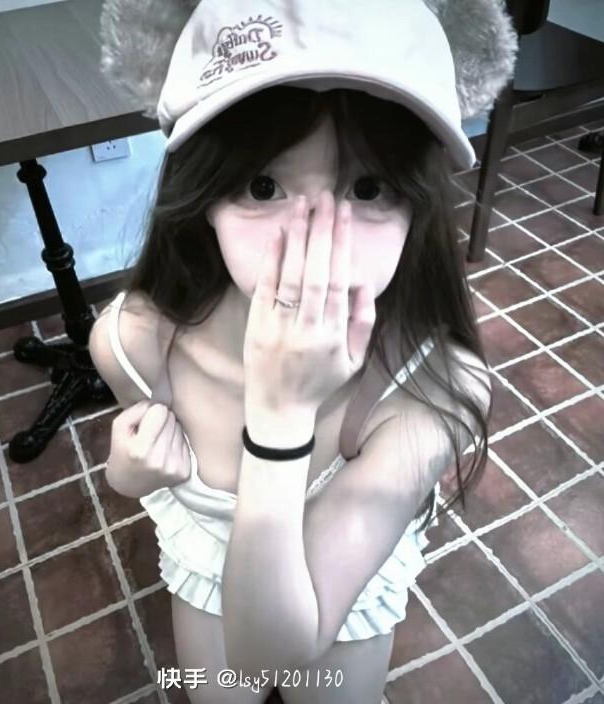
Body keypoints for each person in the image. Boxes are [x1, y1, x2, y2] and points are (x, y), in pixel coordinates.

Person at [90, 1, 512, 701]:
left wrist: (281, 417)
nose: (318, 242)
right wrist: (125, 475)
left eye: (368, 188)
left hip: (338, 600)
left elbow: (273, 656)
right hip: (207, 571)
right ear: (203, 198)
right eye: (264, 187)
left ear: (416, 206)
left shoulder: (433, 391)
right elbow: (146, 458)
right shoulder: (134, 342)